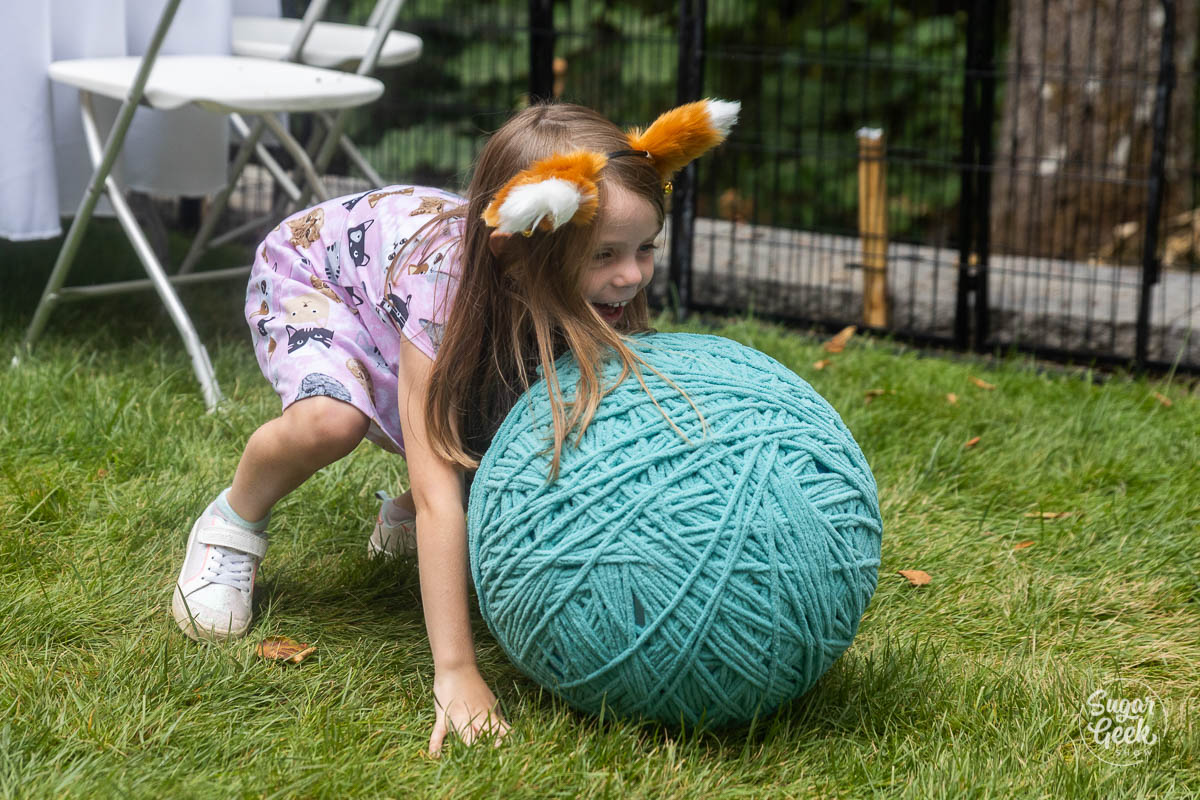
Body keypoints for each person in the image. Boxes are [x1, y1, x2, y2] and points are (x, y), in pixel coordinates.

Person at [171, 98, 740, 754]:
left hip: (413, 281)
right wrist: (457, 672)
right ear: (518, 247)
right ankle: (232, 525)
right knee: (332, 423)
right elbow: (439, 467)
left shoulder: (578, 269)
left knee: (518, 403)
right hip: (322, 277)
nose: (632, 275)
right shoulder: (448, 285)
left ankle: (396, 518)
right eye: (607, 255)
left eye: (646, 249)